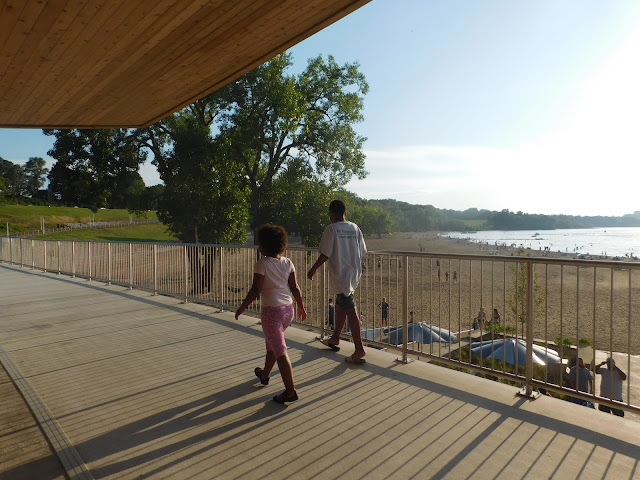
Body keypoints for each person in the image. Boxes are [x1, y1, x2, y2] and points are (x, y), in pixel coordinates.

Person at [235, 224, 307, 404]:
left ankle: (290, 392)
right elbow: (294, 288)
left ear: (264, 245)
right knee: (272, 344)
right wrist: (300, 306)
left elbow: (255, 290)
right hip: (287, 311)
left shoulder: (262, 263)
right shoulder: (287, 262)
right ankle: (265, 375)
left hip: (271, 313)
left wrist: (242, 307)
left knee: (280, 350)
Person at [308, 200, 367, 364]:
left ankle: (359, 349)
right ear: (345, 213)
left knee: (351, 310)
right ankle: (334, 338)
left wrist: (312, 270)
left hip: (341, 274)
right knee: (341, 304)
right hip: (353, 273)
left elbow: (325, 254)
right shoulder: (354, 228)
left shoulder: (331, 229)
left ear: (331, 214)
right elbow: (363, 251)